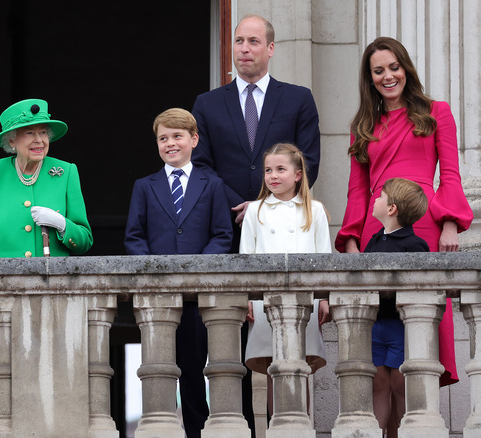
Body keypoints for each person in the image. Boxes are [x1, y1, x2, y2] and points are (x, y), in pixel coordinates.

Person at [191, 15, 321, 433]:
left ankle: (289, 425)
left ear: (271, 48)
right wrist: (243, 207)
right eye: (238, 41)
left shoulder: (298, 99)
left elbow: (309, 162)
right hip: (226, 234)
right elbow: (203, 166)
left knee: (286, 345)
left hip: (282, 233)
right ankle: (238, 427)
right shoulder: (208, 104)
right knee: (226, 344)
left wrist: (265, 203)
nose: (244, 48)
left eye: (253, 41)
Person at [335, 36, 473, 387]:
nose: (388, 76)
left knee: (420, 338)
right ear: (370, 78)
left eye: (393, 68)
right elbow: (356, 189)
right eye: (378, 71)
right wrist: (351, 238)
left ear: (405, 69)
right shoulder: (362, 126)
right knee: (379, 350)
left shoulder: (436, 111)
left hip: (423, 225)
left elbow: (451, 175)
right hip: (375, 231)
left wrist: (450, 224)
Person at [0, 98, 93, 427]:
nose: (39, 140)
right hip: (4, 305)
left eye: (44, 132)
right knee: (5, 398)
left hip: (53, 304)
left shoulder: (65, 172)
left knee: (55, 394)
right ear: (12, 141)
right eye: (29, 133)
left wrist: (62, 224)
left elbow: (84, 239)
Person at [124, 108, 234, 438]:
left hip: (196, 296)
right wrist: (154, 272)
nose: (170, 143)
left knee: (194, 369)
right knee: (157, 369)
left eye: (177, 136)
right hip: (158, 297)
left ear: (194, 140)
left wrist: (196, 269)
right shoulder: (144, 186)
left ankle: (197, 431)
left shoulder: (212, 185)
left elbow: (222, 235)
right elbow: (134, 235)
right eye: (163, 138)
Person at [240, 143, 331, 416]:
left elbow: (325, 257)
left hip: (305, 300)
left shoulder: (314, 210)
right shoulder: (255, 211)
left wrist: (324, 297)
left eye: (281, 169)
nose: (273, 176)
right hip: (264, 301)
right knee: (272, 368)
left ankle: (299, 426)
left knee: (298, 366)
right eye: (268, 170)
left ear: (298, 174)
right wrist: (246, 298)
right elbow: (246, 258)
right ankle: (276, 426)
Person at [364, 177, 429, 437]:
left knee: (400, 385)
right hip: (376, 325)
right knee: (378, 384)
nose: (376, 200)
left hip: (401, 327)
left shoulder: (415, 246)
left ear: (391, 209)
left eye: (380, 196)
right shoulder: (374, 241)